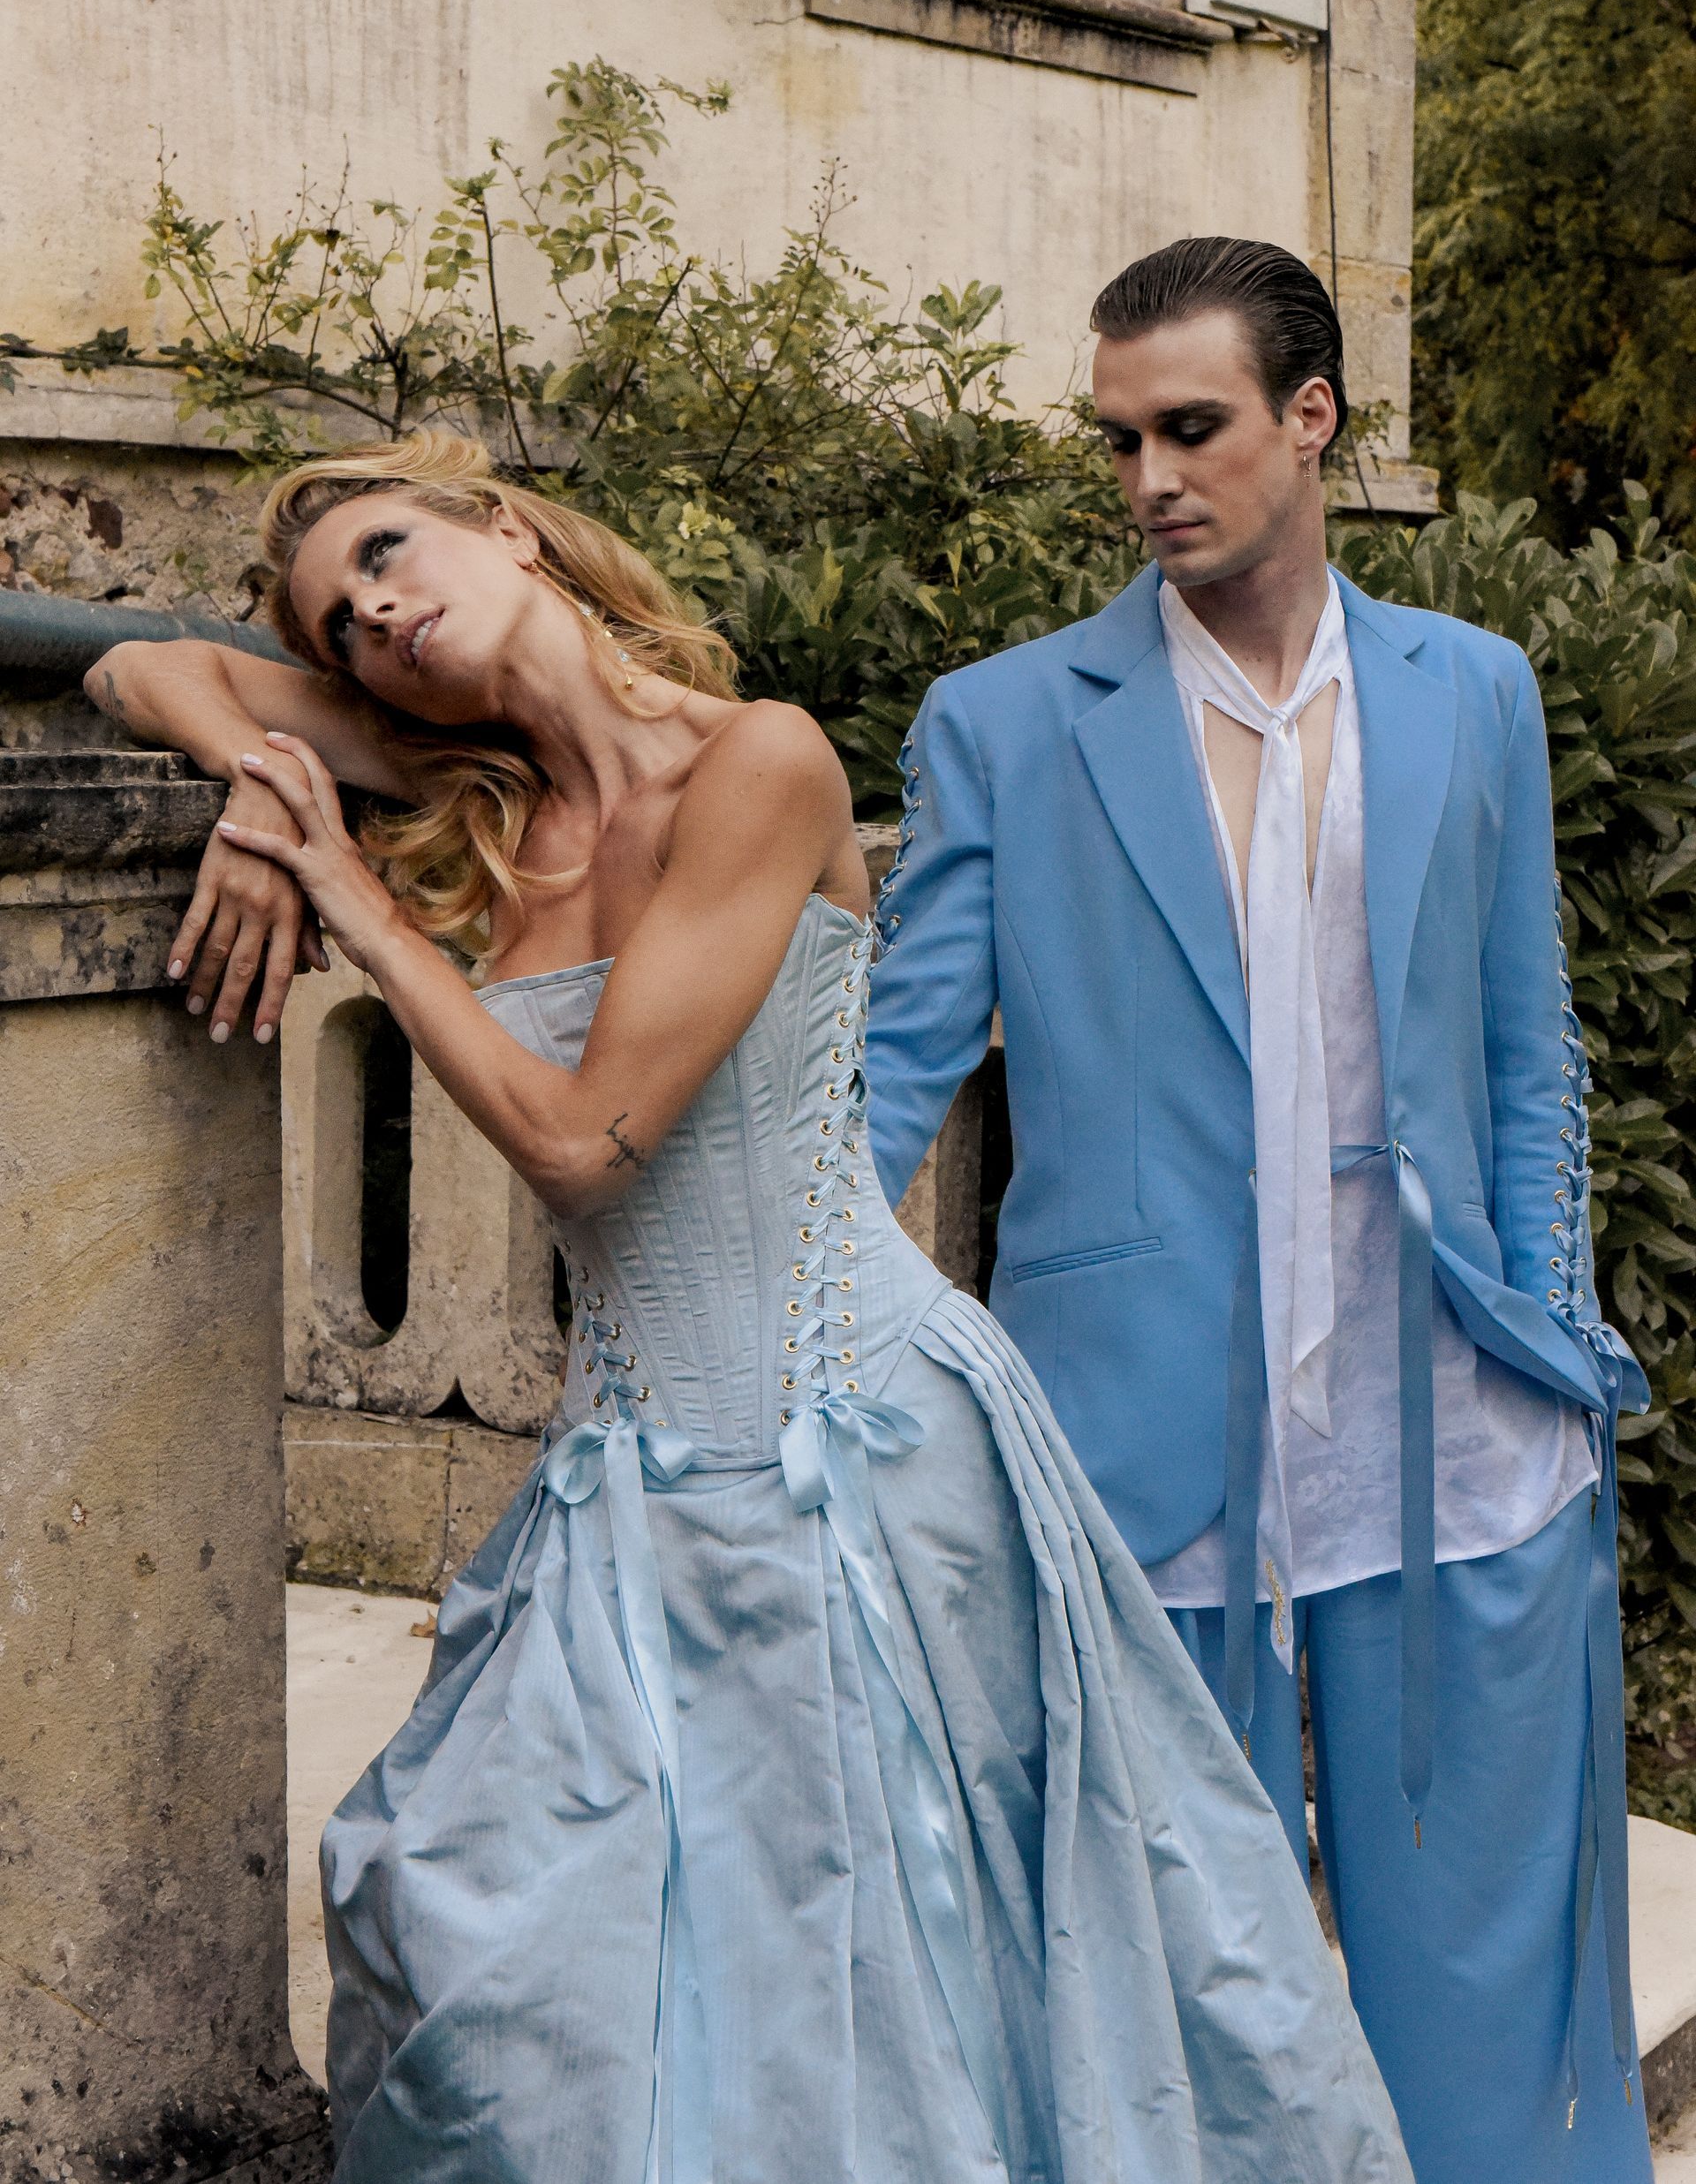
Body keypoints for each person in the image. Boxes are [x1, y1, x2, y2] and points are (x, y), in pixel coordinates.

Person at [86, 429, 1409, 2184]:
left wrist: (350, 897)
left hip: (870, 1460)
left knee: (905, 1991)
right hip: (623, 1497)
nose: (376, 616)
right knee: (490, 1958)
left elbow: (586, 1142)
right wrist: (262, 784)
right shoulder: (457, 780)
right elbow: (135, 661)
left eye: (390, 554)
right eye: (338, 628)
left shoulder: (757, 763)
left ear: (506, 526)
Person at [863, 237, 1655, 2184]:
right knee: (1161, 1989)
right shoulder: (1007, 723)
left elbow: (1528, 1040)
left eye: (1193, 426)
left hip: (1458, 1433)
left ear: (1311, 420)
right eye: (1119, 436)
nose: (1150, 477)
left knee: (1481, 1971)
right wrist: (830, 1358)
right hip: (1137, 1448)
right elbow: (889, 1073)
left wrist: (1554, 1339)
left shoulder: (1472, 690)